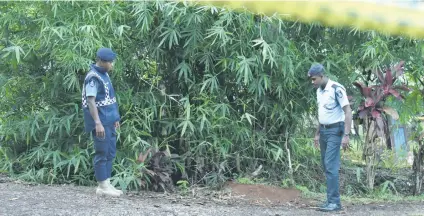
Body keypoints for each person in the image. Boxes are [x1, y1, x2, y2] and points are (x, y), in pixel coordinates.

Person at [308, 63, 352, 212]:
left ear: (321, 76)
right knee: (326, 165)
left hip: (335, 130)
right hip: (324, 131)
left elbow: (347, 111)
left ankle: (335, 203)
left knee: (331, 164)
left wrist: (346, 135)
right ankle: (330, 201)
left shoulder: (336, 89)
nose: (312, 82)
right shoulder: (319, 91)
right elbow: (322, 114)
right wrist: (317, 133)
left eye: (314, 79)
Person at [81, 47, 123, 197]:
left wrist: (115, 118)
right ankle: (102, 186)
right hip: (101, 122)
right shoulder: (93, 77)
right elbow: (91, 101)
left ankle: (107, 183)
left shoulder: (104, 74)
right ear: (102, 61)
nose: (112, 65)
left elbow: (110, 99)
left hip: (109, 120)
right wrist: (97, 122)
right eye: (110, 62)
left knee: (110, 152)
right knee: (102, 152)